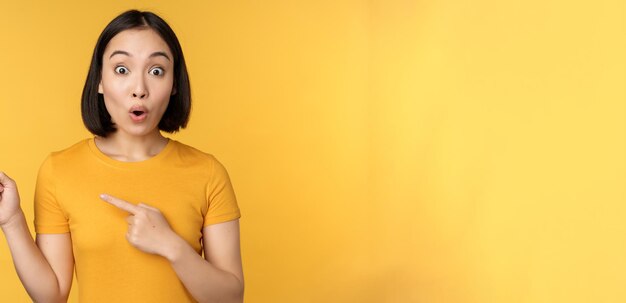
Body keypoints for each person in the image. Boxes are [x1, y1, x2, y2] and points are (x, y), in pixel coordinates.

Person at [0, 10, 244, 303]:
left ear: (175, 84)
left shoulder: (207, 172)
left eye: (156, 71)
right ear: (100, 81)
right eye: (121, 70)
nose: (139, 90)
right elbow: (52, 296)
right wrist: (12, 221)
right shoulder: (59, 170)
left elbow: (230, 299)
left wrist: (171, 246)